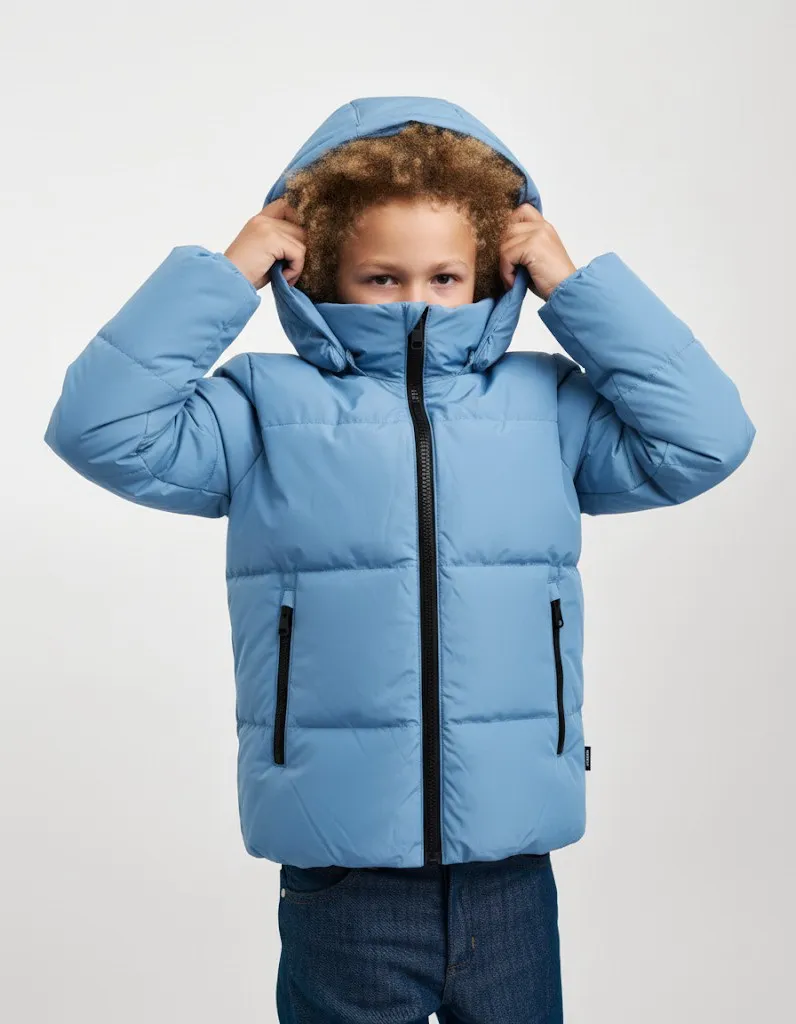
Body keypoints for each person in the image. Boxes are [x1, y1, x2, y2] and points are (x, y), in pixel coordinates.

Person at [43, 96, 756, 1023]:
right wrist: (227, 273)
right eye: (382, 277)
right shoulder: (259, 407)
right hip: (342, 873)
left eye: (444, 276)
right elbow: (97, 428)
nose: (417, 300)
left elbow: (707, 439)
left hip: (509, 869)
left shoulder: (546, 404)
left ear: (490, 272)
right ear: (319, 273)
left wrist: (576, 288)